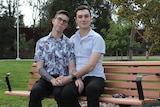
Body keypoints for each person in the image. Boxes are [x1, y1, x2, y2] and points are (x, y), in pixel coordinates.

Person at [29, 10, 83, 107]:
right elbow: (40, 68)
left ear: (66, 26)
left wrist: (74, 77)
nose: (61, 22)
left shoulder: (69, 43)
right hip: (47, 78)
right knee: (35, 91)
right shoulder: (42, 43)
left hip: (63, 79)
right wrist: (51, 80)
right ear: (53, 20)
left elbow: (71, 67)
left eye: (65, 21)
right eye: (59, 19)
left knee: (60, 94)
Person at [69, 5, 106, 107]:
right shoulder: (72, 39)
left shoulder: (97, 39)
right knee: (66, 92)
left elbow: (91, 66)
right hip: (78, 77)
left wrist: (75, 76)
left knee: (92, 89)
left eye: (86, 16)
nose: (83, 19)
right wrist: (76, 78)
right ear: (76, 20)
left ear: (91, 19)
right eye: (80, 17)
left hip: (95, 78)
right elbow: (71, 63)